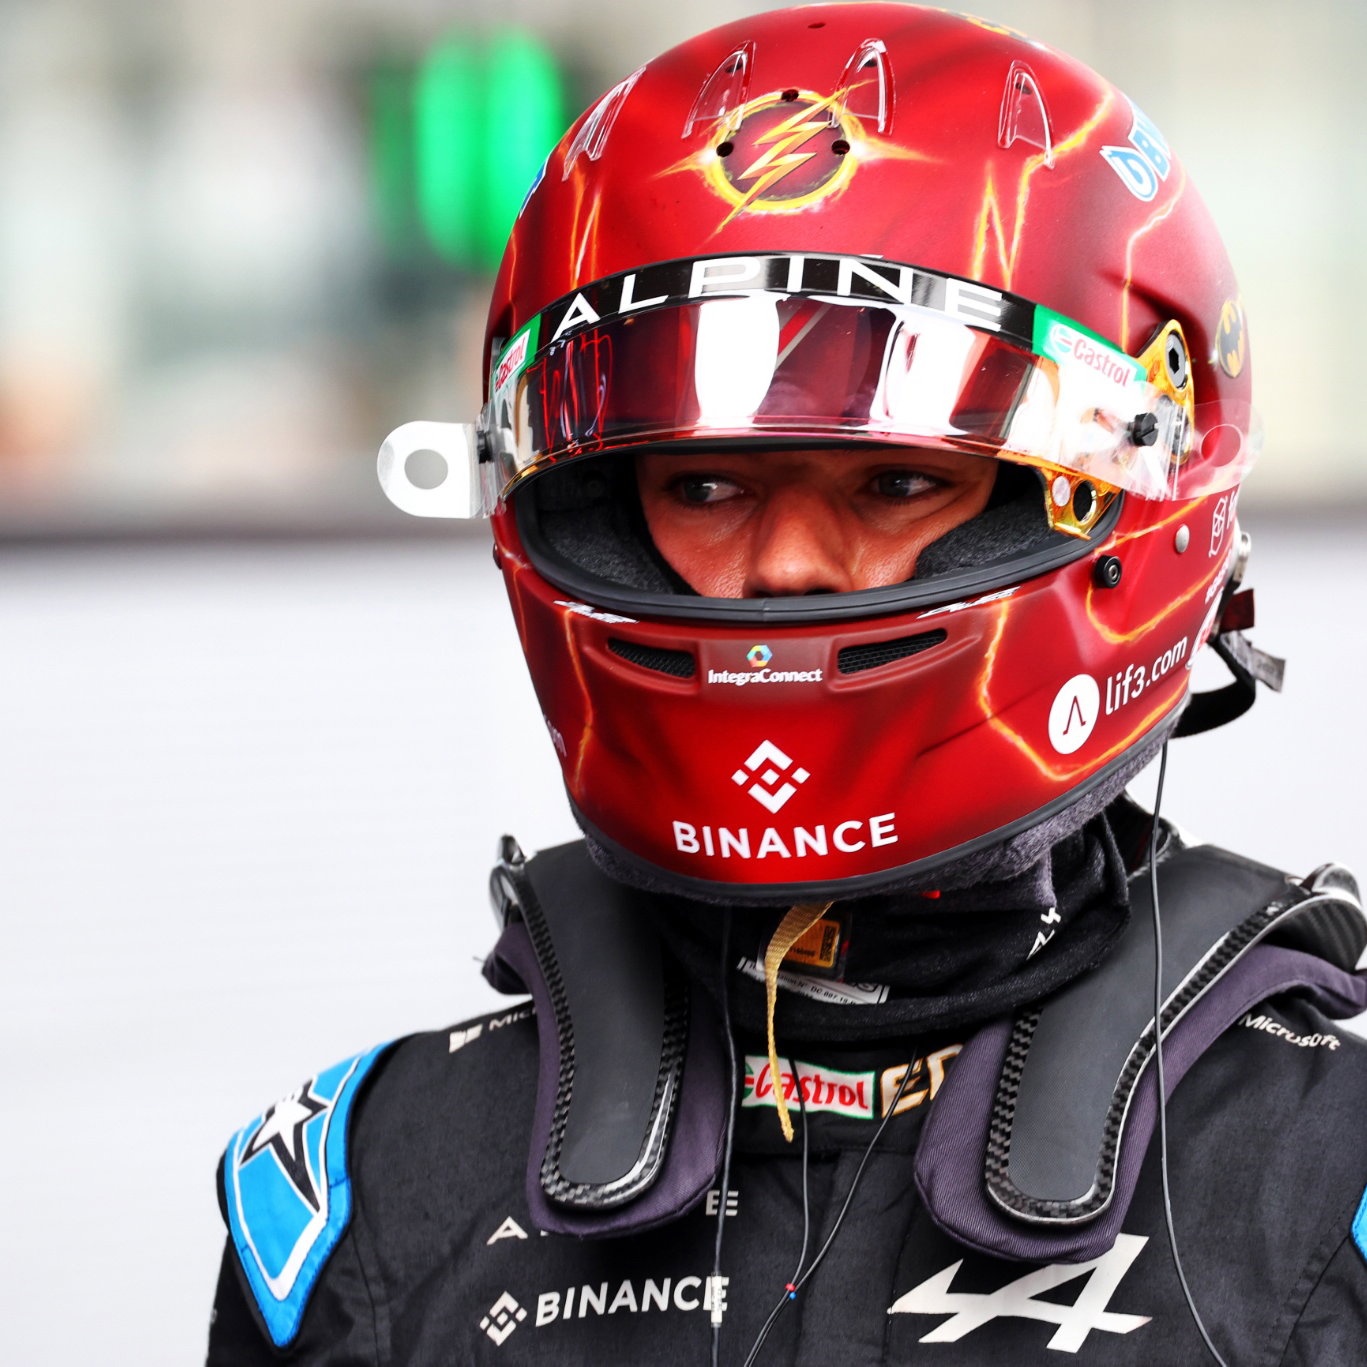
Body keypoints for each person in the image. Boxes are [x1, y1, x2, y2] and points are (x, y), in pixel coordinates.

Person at [207, 7, 1367, 1363]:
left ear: (1124, 501)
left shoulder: (1326, 1180)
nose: (786, 569)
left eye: (895, 483)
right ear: (588, 512)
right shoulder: (371, 1193)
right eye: (702, 487)